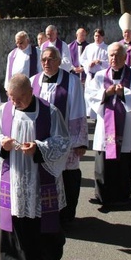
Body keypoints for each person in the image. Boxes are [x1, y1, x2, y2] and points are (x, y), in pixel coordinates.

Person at [0, 75, 71, 260]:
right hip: (14, 176)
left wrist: (39, 148)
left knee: (39, 219)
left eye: (18, 98)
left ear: (30, 93)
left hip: (39, 178)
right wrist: (3, 144)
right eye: (11, 98)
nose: (14, 103)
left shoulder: (50, 112)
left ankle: (44, 257)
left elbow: (63, 142)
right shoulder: (4, 111)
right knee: (16, 220)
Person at [85, 43, 131, 207]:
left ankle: (123, 195)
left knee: (125, 163)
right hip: (105, 129)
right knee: (103, 164)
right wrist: (106, 93)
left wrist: (123, 94)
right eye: (111, 55)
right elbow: (90, 95)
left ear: (125, 56)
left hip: (128, 127)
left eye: (118, 55)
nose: (114, 58)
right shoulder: (99, 76)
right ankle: (102, 195)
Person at [31, 46, 88, 223]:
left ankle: (67, 216)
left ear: (59, 61)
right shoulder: (33, 81)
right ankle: (48, 215)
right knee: (45, 177)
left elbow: (79, 110)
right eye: (43, 60)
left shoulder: (72, 81)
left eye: (50, 59)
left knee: (67, 177)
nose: (46, 63)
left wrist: (79, 142)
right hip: (42, 141)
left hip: (66, 139)